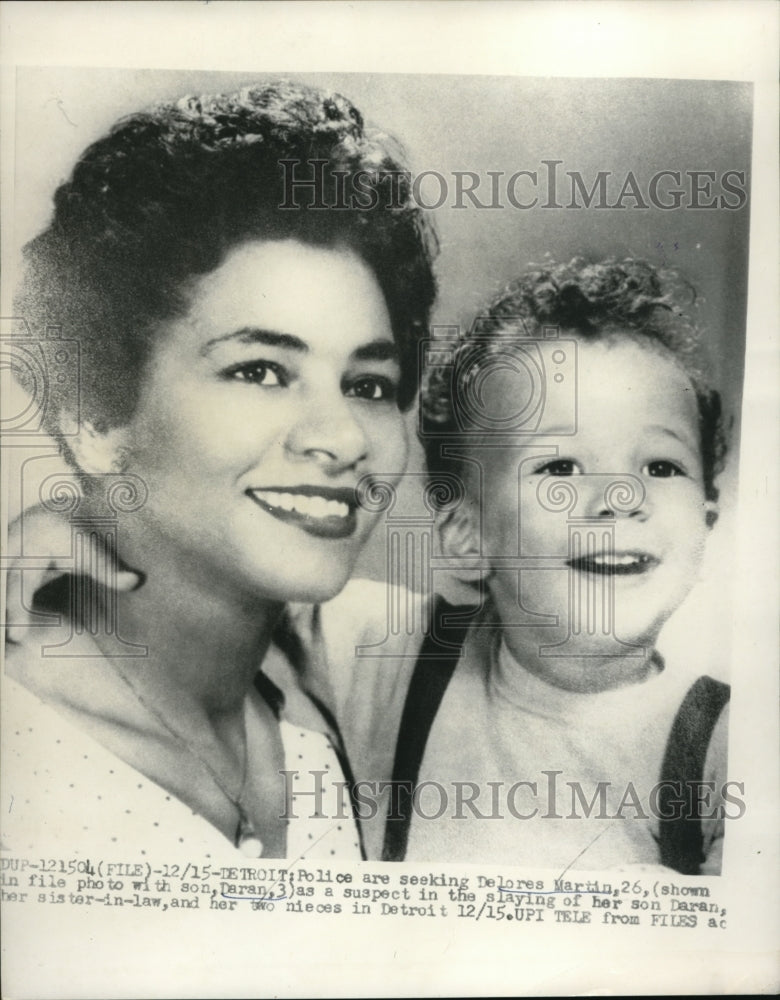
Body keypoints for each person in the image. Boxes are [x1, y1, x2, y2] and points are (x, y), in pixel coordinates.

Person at [2, 81, 437, 861]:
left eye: (369, 385)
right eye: (261, 371)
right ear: (96, 418)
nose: (340, 438)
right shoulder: (24, 744)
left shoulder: (332, 710)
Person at [289, 257, 732, 872]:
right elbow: (215, 585)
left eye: (661, 466)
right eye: (560, 468)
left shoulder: (725, 749)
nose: (621, 500)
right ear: (467, 535)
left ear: (706, 520)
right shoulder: (396, 657)